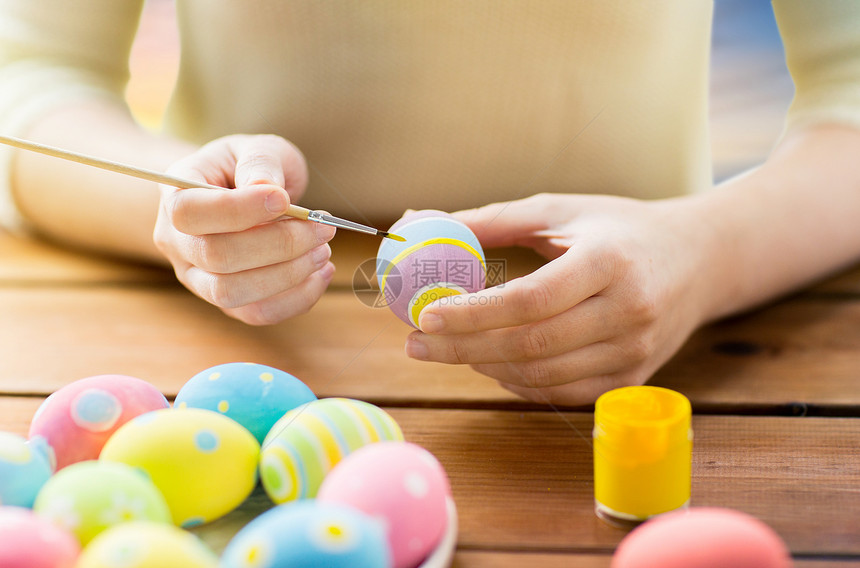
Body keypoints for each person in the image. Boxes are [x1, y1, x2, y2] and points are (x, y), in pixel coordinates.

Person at [1, 1, 859, 406]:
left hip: (652, 357)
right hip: (239, 356)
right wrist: (176, 204)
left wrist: (711, 251)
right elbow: (25, 81)